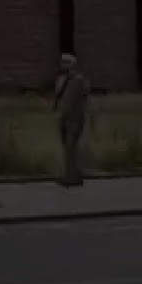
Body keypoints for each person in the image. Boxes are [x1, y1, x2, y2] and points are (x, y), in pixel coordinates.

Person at [52, 53, 89, 187]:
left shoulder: (79, 80)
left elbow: (80, 97)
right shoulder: (61, 79)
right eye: (63, 61)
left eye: (67, 62)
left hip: (75, 118)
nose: (64, 64)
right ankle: (71, 175)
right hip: (64, 117)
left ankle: (73, 177)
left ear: (73, 64)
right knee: (67, 148)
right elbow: (59, 97)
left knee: (71, 146)